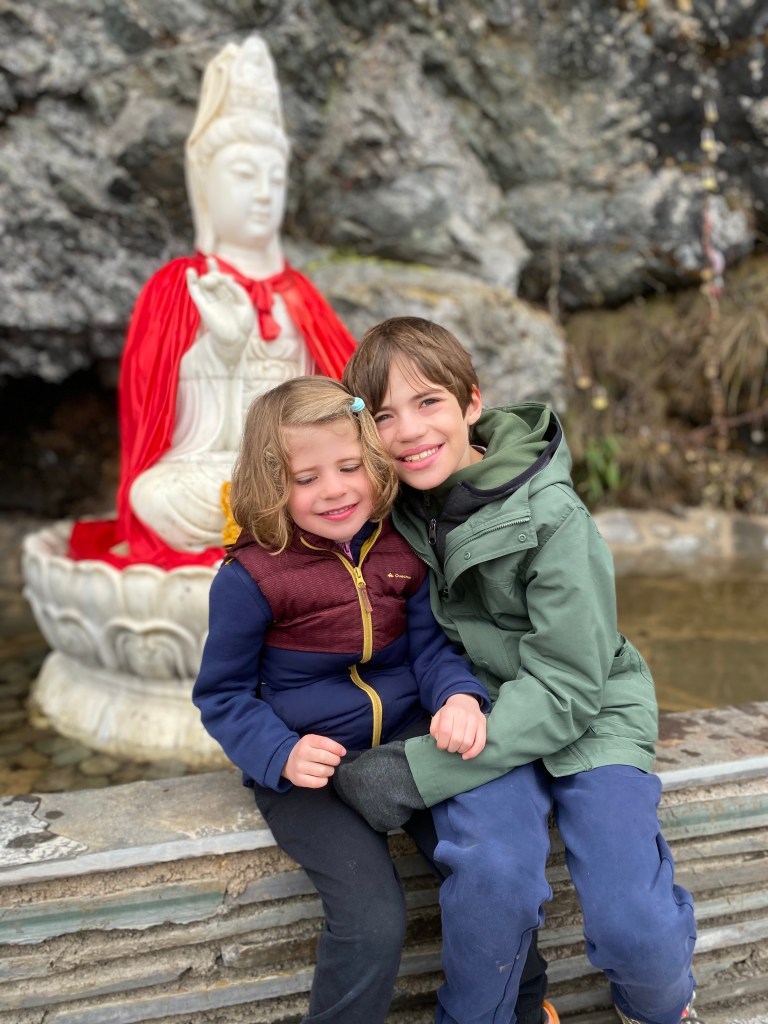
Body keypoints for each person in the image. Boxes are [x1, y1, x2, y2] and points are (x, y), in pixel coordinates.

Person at [337, 317, 699, 1024]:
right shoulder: (388, 512)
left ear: (472, 402)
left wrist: (414, 772)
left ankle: (659, 1006)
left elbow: (569, 686)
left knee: (632, 923)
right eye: (382, 415)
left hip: (585, 711)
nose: (408, 431)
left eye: (428, 402)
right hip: (471, 708)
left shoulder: (553, 515)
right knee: (493, 876)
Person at [191, 376, 555, 1024]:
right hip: (312, 775)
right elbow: (222, 695)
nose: (334, 490)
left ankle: (525, 1009)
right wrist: (279, 752)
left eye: (349, 467)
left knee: (491, 874)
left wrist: (459, 698)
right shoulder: (252, 577)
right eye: (306, 478)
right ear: (270, 482)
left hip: (409, 749)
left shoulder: (399, 546)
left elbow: (430, 650)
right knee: (372, 918)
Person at [68, 35, 356, 569]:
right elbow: (163, 425)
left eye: (275, 177)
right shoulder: (181, 287)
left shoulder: (302, 296)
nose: (264, 193)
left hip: (302, 468)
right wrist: (222, 350)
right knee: (156, 493)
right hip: (216, 466)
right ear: (204, 185)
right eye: (244, 174)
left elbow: (345, 401)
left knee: (325, 480)